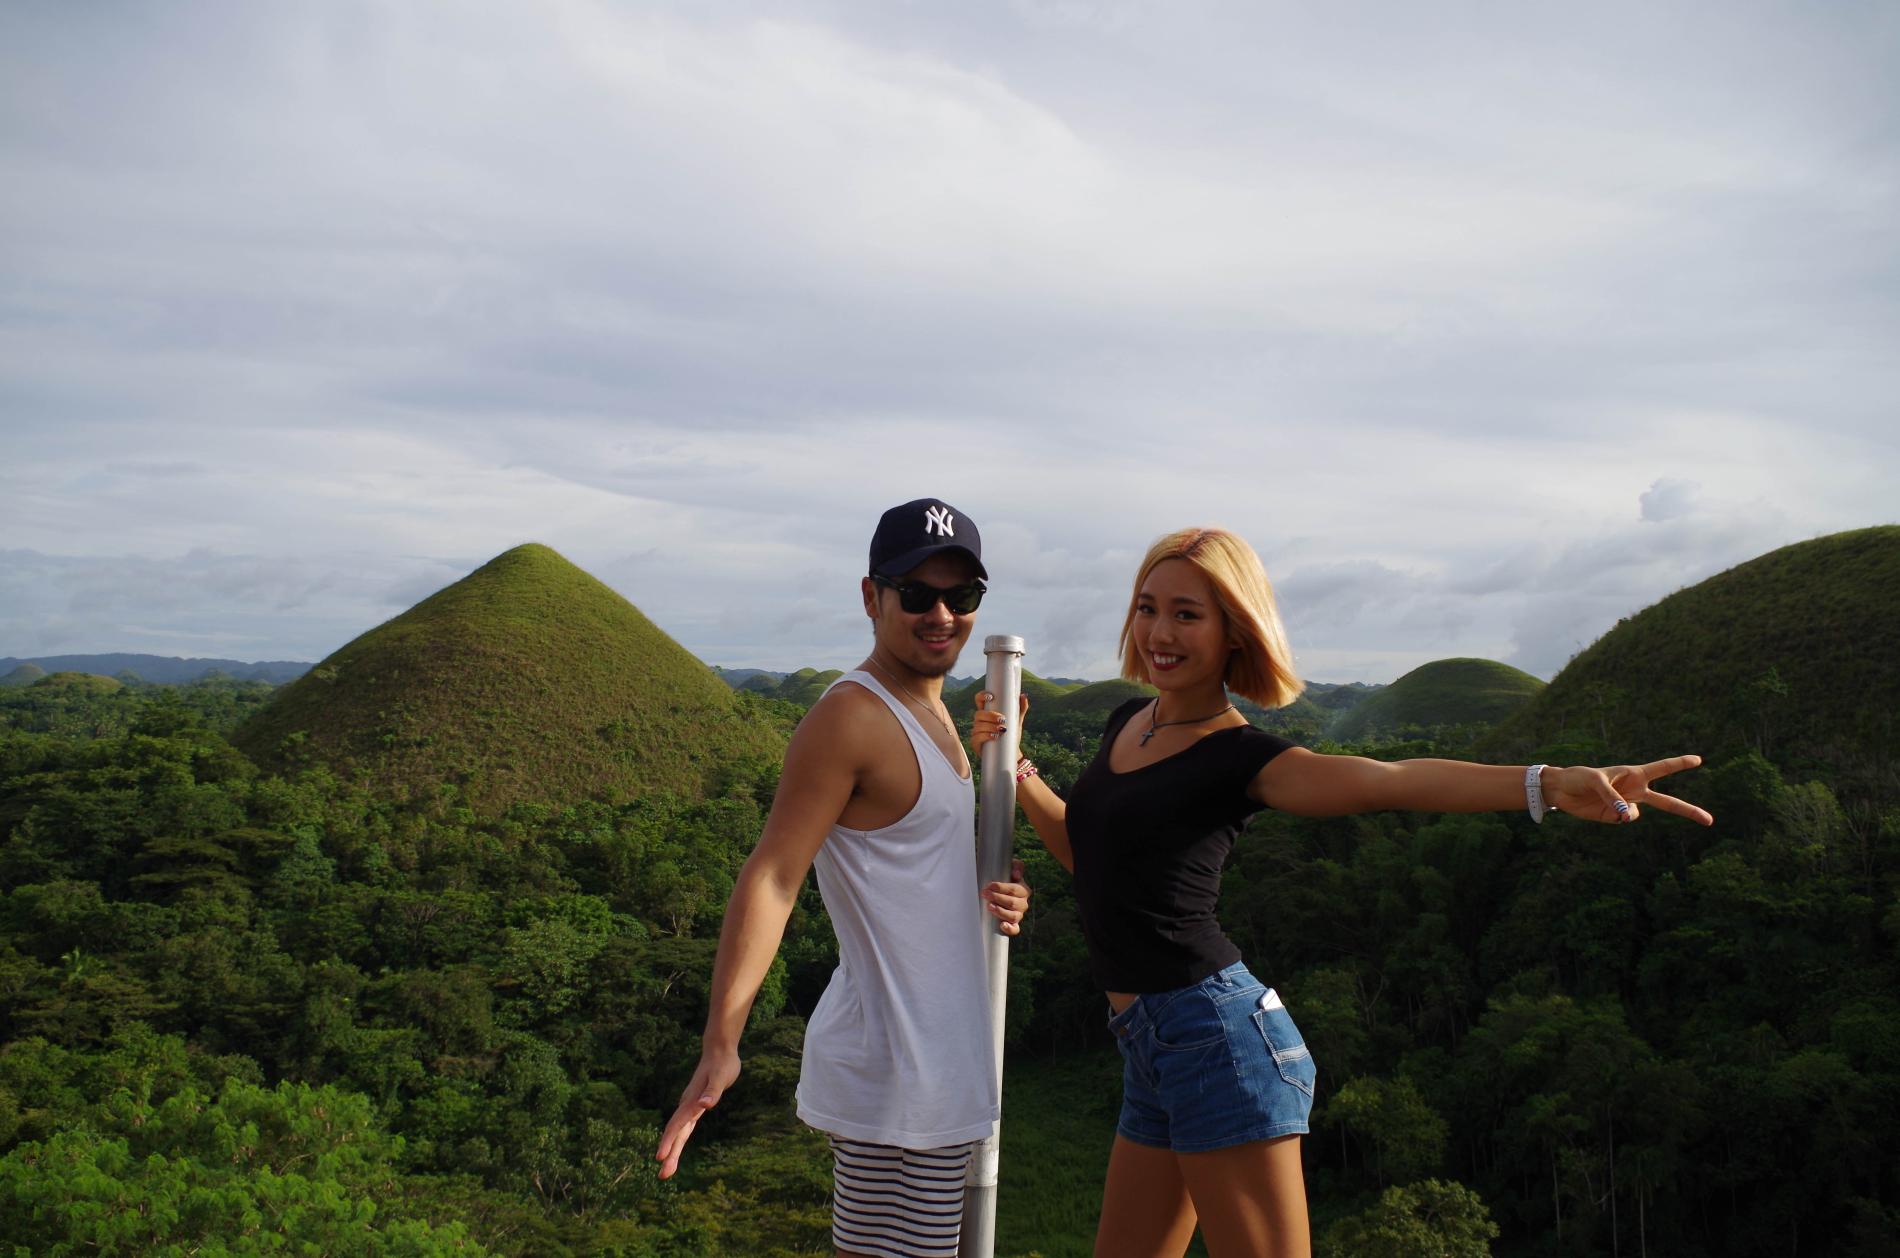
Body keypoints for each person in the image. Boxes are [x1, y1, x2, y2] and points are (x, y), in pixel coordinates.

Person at [972, 526, 1711, 1258]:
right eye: (1147, 607)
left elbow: (1385, 780)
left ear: (1235, 629)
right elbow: (1092, 859)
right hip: (1149, 1050)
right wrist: (1016, 768)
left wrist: (1546, 783)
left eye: (1188, 614)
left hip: (1218, 1043)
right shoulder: (1129, 721)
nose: (1160, 631)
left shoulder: (1240, 755)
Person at [656, 497, 1031, 1258]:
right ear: (871, 596)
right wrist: (721, 1041)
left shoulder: (933, 717)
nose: (940, 615)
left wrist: (988, 891)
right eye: (916, 593)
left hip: (935, 1066)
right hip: (899, 1070)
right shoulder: (851, 717)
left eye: (960, 598)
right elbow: (774, 874)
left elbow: (907, 871)